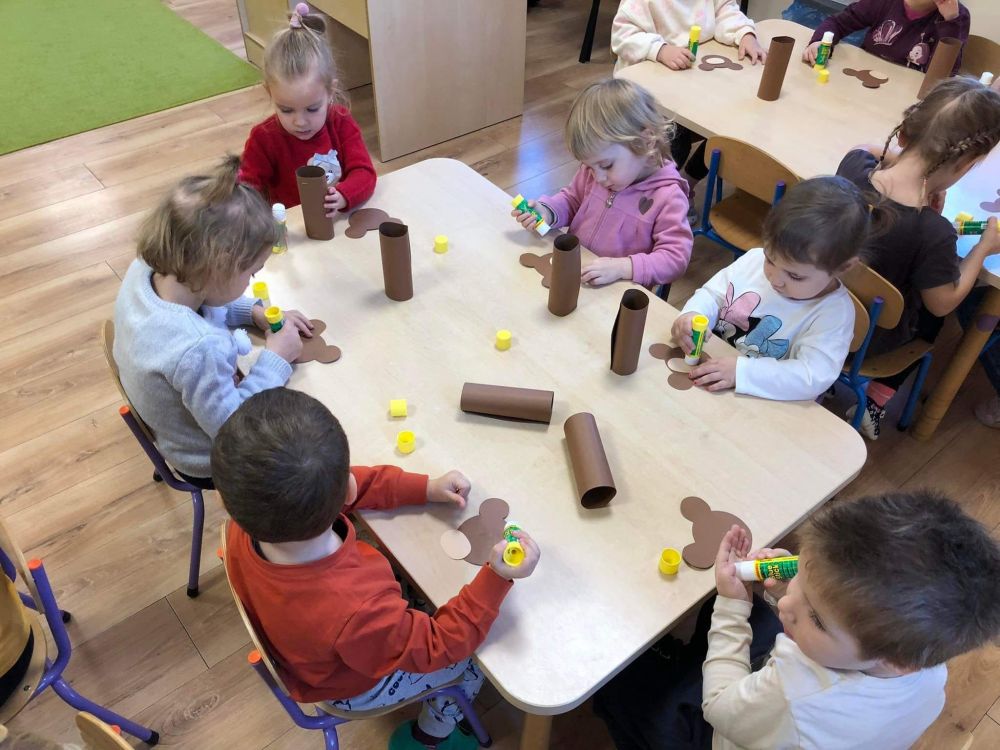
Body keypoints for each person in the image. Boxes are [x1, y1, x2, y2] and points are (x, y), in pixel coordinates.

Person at [215, 388, 540, 750]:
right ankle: (430, 735)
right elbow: (440, 646)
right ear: (348, 490)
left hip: (315, 647)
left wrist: (427, 488)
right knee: (477, 660)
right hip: (354, 687)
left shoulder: (244, 518)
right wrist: (498, 576)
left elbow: (340, 483)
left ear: (222, 498)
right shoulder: (358, 610)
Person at [595, 490, 1000, 749]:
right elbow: (811, 619)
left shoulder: (798, 696)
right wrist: (791, 588)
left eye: (817, 618)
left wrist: (733, 607)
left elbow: (719, 708)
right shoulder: (925, 666)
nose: (787, 603)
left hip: (734, 729)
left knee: (621, 688)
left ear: (896, 660)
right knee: (749, 613)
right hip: (804, 716)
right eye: (798, 574)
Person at [113, 156, 311, 484]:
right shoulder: (198, 348)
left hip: (172, 423)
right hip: (208, 459)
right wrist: (276, 359)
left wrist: (252, 312)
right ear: (216, 269)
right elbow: (236, 430)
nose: (252, 279)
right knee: (308, 455)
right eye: (251, 273)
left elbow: (206, 299)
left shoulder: (150, 270)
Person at [837, 76, 1000, 437]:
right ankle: (876, 400)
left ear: (904, 134)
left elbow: (866, 147)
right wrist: (983, 248)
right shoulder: (933, 231)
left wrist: (916, 174)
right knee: (931, 316)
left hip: (816, 304)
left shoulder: (853, 167)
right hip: (868, 341)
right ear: (967, 164)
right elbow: (943, 304)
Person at [671, 176, 865, 400]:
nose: (775, 279)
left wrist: (742, 372)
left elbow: (811, 377)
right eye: (770, 259)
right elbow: (713, 296)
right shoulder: (754, 259)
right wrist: (693, 315)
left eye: (795, 276)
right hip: (713, 375)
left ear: (843, 266)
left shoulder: (834, 314)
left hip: (765, 400)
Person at [512, 79, 693, 288]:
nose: (597, 177)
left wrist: (624, 267)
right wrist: (548, 212)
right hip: (576, 274)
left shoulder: (668, 196)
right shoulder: (596, 171)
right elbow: (572, 200)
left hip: (616, 293)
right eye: (589, 167)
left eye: (606, 165)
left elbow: (675, 258)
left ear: (646, 141)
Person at [611, 1, 767, 206]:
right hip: (647, 94)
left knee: (731, 128)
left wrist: (745, 33)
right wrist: (660, 49)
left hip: (695, 83)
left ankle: (684, 186)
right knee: (674, 140)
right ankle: (652, 196)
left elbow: (725, 9)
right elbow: (622, 35)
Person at [239, 3, 376, 217]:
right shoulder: (263, 138)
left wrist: (343, 195)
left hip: (337, 222)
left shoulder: (340, 122)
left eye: (312, 109)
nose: (300, 122)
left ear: (330, 92)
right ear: (269, 93)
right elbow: (246, 189)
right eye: (286, 110)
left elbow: (364, 172)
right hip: (290, 227)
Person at [803, 0, 970, 72]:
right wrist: (819, 42)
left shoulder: (956, 17)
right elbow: (839, 23)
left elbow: (944, 76)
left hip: (907, 96)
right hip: (864, 80)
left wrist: (950, 21)